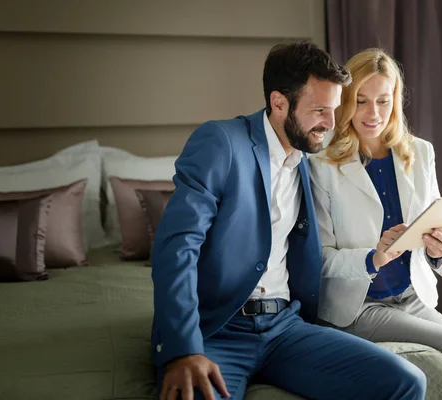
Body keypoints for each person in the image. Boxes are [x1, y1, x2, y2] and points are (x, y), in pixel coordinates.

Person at [151, 42, 426, 400]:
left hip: (285, 327)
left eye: (335, 108)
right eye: (319, 110)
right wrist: (184, 349)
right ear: (279, 103)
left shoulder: (310, 160)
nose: (331, 124)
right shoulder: (222, 143)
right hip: (218, 330)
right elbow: (177, 247)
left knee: (407, 381)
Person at [309, 48, 442, 400]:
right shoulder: (321, 165)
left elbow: (431, 231)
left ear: (395, 101)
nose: (373, 113)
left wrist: (437, 249)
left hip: (411, 298)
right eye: (362, 101)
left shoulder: (419, 152)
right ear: (346, 101)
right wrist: (373, 257)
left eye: (383, 101)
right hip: (360, 308)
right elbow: (319, 259)